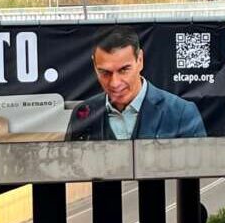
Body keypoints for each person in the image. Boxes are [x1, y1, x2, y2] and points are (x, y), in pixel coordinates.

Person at [65, 26, 206, 141]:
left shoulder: (182, 114)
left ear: (140, 60)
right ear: (94, 65)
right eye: (105, 72)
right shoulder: (83, 114)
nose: (115, 83)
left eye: (124, 70)